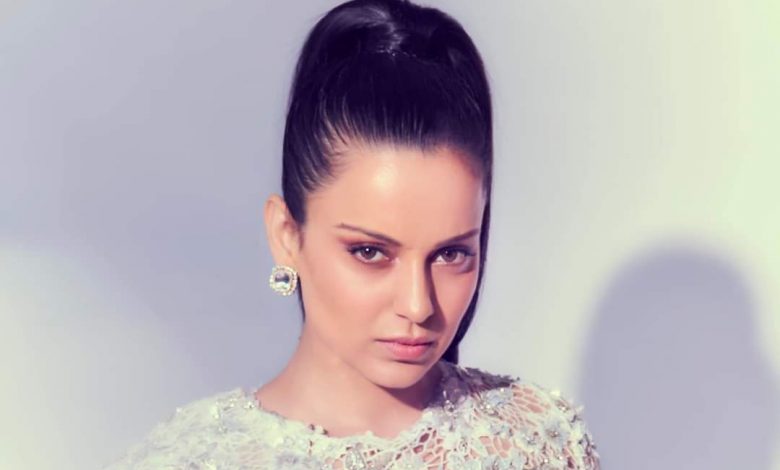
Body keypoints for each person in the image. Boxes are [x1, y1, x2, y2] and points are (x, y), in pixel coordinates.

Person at [106, 0, 600, 468]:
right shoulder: (186, 462)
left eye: (450, 254)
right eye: (370, 251)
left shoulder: (538, 440)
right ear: (286, 235)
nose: (418, 306)